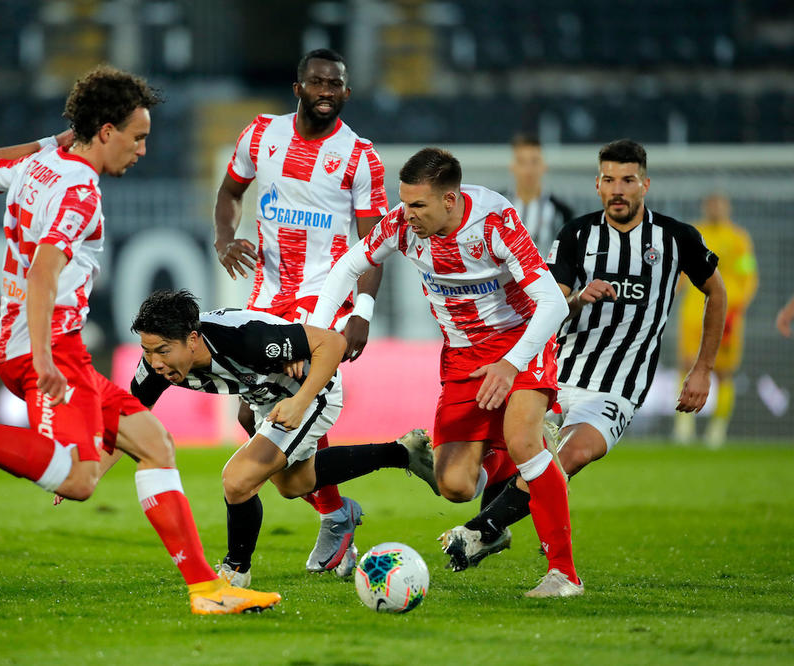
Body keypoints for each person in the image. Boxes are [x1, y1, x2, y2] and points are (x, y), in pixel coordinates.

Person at [0, 66, 280, 615]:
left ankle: (206, 590)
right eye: (137, 137)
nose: (142, 150)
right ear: (105, 132)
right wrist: (46, 358)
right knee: (77, 480)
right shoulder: (78, 190)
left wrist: (53, 140)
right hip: (45, 349)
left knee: (154, 444)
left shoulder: (39, 163)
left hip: (41, 345)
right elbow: (44, 272)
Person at [310, 147, 581, 598]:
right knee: (455, 487)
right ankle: (511, 459)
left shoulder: (495, 221)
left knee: (523, 438)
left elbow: (551, 302)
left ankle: (564, 574)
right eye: (405, 202)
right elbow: (348, 266)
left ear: (450, 201)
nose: (407, 214)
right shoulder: (401, 224)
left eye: (419, 205)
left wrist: (511, 363)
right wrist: (316, 335)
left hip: (519, 342)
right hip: (462, 356)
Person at [452, 139, 726, 573]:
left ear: (645, 184)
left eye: (628, 180)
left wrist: (703, 369)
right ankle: (501, 524)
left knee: (571, 455)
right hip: (561, 375)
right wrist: (579, 298)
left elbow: (717, 291)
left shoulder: (676, 238)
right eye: (610, 179)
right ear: (597, 185)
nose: (619, 189)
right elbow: (552, 303)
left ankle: (481, 530)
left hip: (619, 386)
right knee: (515, 454)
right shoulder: (577, 233)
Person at [214, 48, 389, 574]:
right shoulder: (260, 135)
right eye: (317, 83)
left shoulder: (360, 156)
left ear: (346, 93)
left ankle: (335, 518)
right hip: (266, 299)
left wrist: (363, 310)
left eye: (335, 84)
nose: (326, 91)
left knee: (286, 414)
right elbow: (229, 191)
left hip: (323, 301)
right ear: (298, 88)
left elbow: (373, 244)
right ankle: (336, 514)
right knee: (253, 417)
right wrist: (225, 237)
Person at [129, 290, 436, 587]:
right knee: (293, 485)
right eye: (147, 350)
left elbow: (332, 342)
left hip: (310, 390)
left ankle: (236, 570)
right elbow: (129, 419)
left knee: (237, 480)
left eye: (163, 351)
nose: (154, 361)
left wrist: (300, 401)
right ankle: (402, 453)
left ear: (192, 340)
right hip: (269, 399)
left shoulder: (245, 338)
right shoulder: (158, 363)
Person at [673, 193, 757, 447]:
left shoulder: (739, 239)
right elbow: (680, 272)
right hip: (694, 308)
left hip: (727, 311)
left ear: (727, 207)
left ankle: (717, 429)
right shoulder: (695, 232)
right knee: (686, 363)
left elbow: (748, 274)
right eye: (711, 204)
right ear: (705, 206)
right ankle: (684, 425)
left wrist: (738, 304)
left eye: (720, 204)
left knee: (724, 371)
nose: (715, 208)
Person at [507, 134, 575, 253]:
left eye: (534, 161)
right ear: (513, 166)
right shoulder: (495, 207)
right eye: (522, 162)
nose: (528, 169)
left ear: (544, 166)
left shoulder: (562, 212)